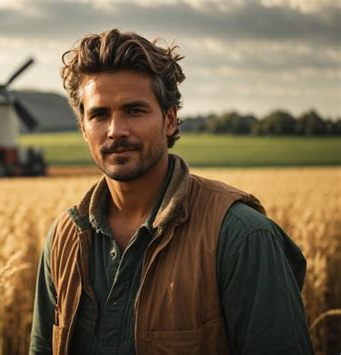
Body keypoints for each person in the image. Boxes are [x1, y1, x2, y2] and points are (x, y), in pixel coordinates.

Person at [29, 29, 313, 355]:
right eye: (99, 114)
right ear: (83, 127)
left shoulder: (241, 236)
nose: (116, 130)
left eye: (134, 111)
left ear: (170, 120)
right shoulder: (64, 238)